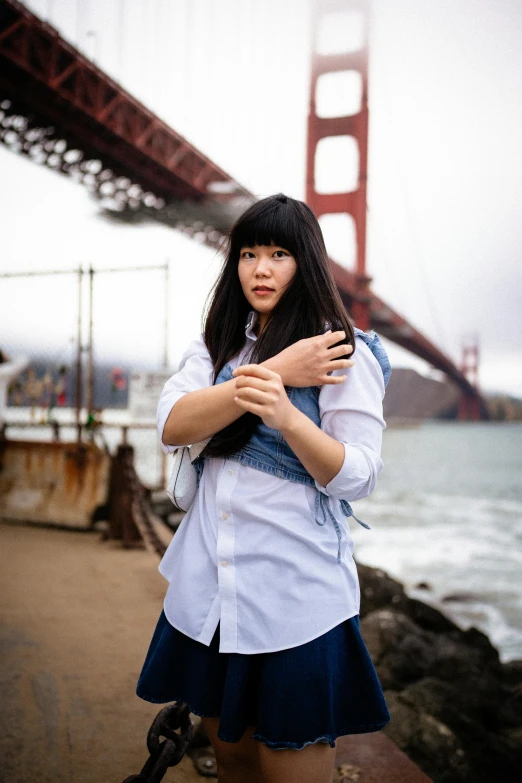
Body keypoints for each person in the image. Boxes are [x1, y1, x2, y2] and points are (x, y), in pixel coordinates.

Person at [136, 193, 392, 783]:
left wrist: (289, 416)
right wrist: (278, 371)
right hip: (215, 597)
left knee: (290, 768)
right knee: (232, 760)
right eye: (248, 253)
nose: (261, 268)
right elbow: (173, 423)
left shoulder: (341, 352)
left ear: (305, 262)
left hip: (296, 603)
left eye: (279, 253)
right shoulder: (217, 343)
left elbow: (359, 475)